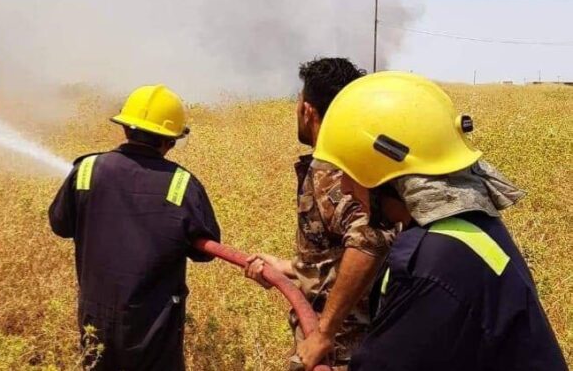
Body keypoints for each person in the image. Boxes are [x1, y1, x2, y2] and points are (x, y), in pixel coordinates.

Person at [309, 71, 567, 370]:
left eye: (350, 172)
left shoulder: (433, 268)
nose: (345, 188)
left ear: (385, 175)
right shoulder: (468, 228)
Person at [49, 84, 221, 371]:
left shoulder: (87, 169)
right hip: (154, 329)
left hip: (95, 319)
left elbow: (60, 225)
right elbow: (206, 251)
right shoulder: (182, 184)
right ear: (170, 141)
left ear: (125, 128)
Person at [244, 58, 397, 370]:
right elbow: (337, 256)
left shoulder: (332, 172)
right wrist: (288, 268)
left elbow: (370, 240)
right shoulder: (358, 164)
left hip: (340, 353)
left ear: (307, 110)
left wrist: (325, 333)